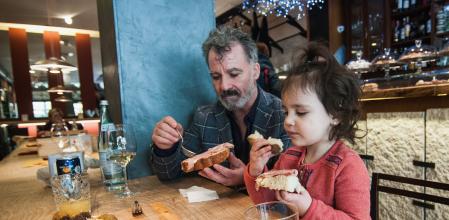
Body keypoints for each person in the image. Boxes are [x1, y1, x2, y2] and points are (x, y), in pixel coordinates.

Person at [150, 26, 290, 187]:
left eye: (234, 74)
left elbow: (295, 179)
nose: (224, 86)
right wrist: (165, 148)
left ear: (255, 71)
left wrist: (248, 178)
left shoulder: (284, 115)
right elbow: (170, 172)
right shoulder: (204, 117)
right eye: (216, 77)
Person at [244, 42, 370, 219]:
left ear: (336, 114)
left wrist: (309, 208)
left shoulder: (347, 166)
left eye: (301, 112)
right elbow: (269, 205)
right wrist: (256, 172)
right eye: (286, 111)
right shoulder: (289, 157)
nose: (288, 121)